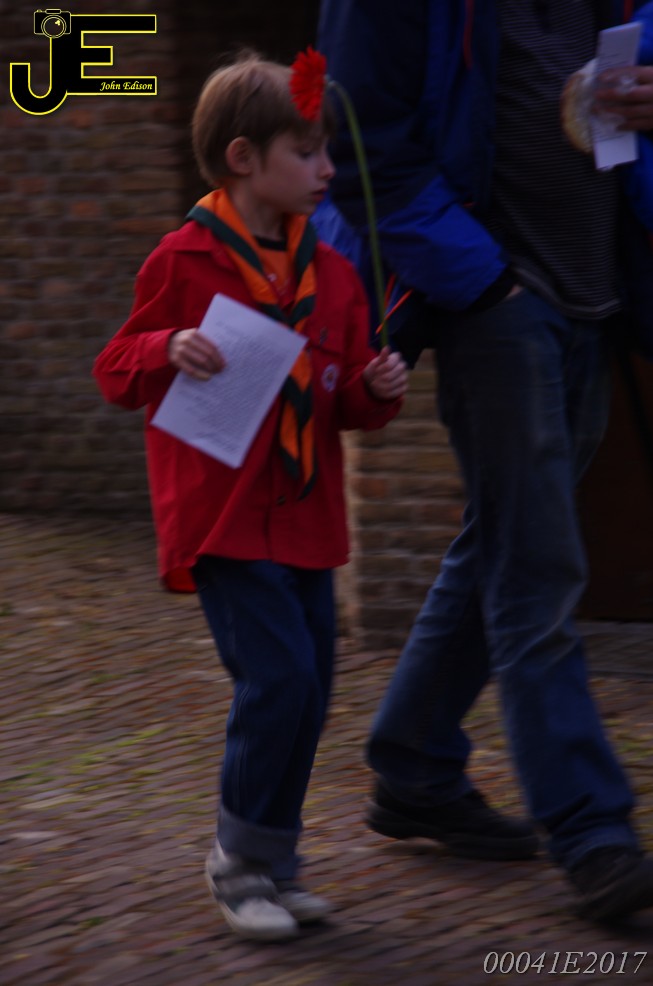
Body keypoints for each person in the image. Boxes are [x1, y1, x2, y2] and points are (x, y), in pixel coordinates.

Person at [316, 0, 653, 923]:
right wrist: (483, 283)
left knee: (505, 539)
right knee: (535, 568)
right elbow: (363, 149)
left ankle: (414, 761)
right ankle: (589, 830)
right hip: (496, 301)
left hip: (593, 294)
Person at [93, 51, 407, 942]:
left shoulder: (334, 274)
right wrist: (167, 347)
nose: (327, 169)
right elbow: (115, 370)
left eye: (327, 151)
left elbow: (345, 402)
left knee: (309, 691)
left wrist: (374, 388)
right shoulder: (183, 260)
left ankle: (276, 863)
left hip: (307, 518)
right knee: (277, 680)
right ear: (243, 158)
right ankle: (237, 864)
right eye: (306, 153)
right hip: (223, 520)